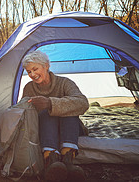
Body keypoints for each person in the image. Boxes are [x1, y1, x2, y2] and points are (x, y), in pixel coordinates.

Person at [21, 50, 89, 182]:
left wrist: (50, 103)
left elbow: (83, 103)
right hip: (46, 130)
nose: (32, 74)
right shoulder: (29, 88)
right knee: (46, 114)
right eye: (29, 72)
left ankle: (68, 161)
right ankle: (51, 161)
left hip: (70, 127)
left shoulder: (64, 83)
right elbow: (23, 112)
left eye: (35, 69)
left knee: (68, 111)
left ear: (46, 66)